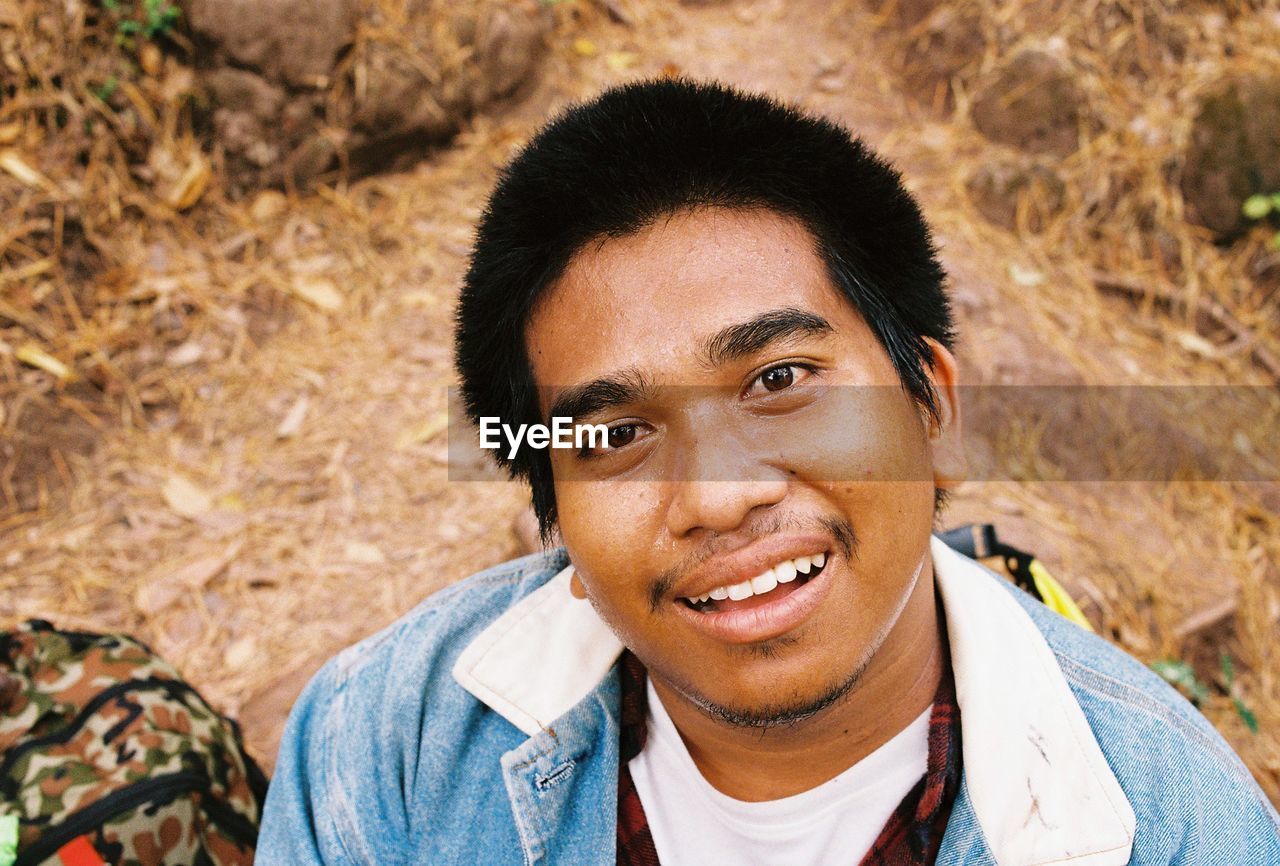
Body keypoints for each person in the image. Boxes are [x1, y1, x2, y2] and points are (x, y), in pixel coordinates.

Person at [256, 79, 1280, 865]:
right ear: (552, 516)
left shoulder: (1176, 824)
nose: (716, 495)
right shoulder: (382, 742)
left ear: (932, 406)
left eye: (779, 378)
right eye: (613, 435)